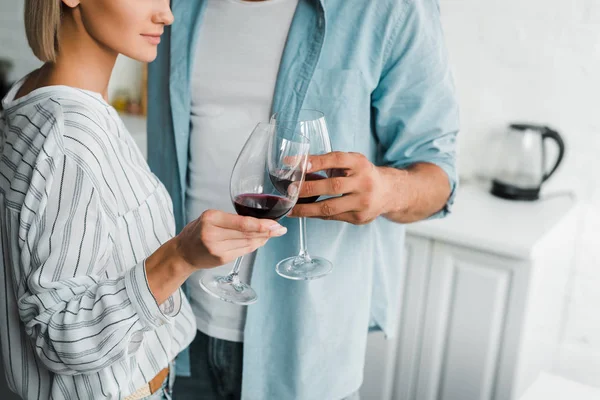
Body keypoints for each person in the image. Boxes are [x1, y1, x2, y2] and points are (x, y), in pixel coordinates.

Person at [148, 0, 459, 399]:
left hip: (306, 348)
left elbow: (439, 177)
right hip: (174, 325)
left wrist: (386, 190)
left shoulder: (390, 8)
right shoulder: (172, 6)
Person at [0, 1, 287, 399]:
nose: (166, 14)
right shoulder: (70, 136)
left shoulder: (30, 94)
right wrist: (179, 258)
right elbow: (58, 336)